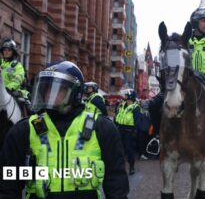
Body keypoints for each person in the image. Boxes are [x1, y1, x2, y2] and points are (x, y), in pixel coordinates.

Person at [0, 61, 129, 198]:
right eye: (46, 89)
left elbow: (116, 181)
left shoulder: (102, 128)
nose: (50, 94)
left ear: (75, 92)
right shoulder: (24, 130)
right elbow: (8, 184)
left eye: (58, 89)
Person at [146, 7, 205, 156]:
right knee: (155, 104)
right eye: (203, 21)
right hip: (187, 83)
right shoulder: (185, 42)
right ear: (195, 23)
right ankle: (157, 138)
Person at [114, 90, 142, 175]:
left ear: (131, 97)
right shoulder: (122, 105)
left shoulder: (135, 107)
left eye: (126, 95)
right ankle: (119, 167)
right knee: (119, 149)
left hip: (130, 130)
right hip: (120, 128)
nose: (125, 97)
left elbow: (137, 120)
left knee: (130, 149)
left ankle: (131, 166)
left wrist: (135, 131)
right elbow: (117, 115)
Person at [0, 38, 30, 104]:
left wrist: (7, 88)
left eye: (9, 50)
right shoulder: (1, 63)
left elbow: (17, 80)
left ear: (13, 52)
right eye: (5, 50)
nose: (6, 52)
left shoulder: (17, 66)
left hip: (12, 92)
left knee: (23, 104)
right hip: (1, 92)